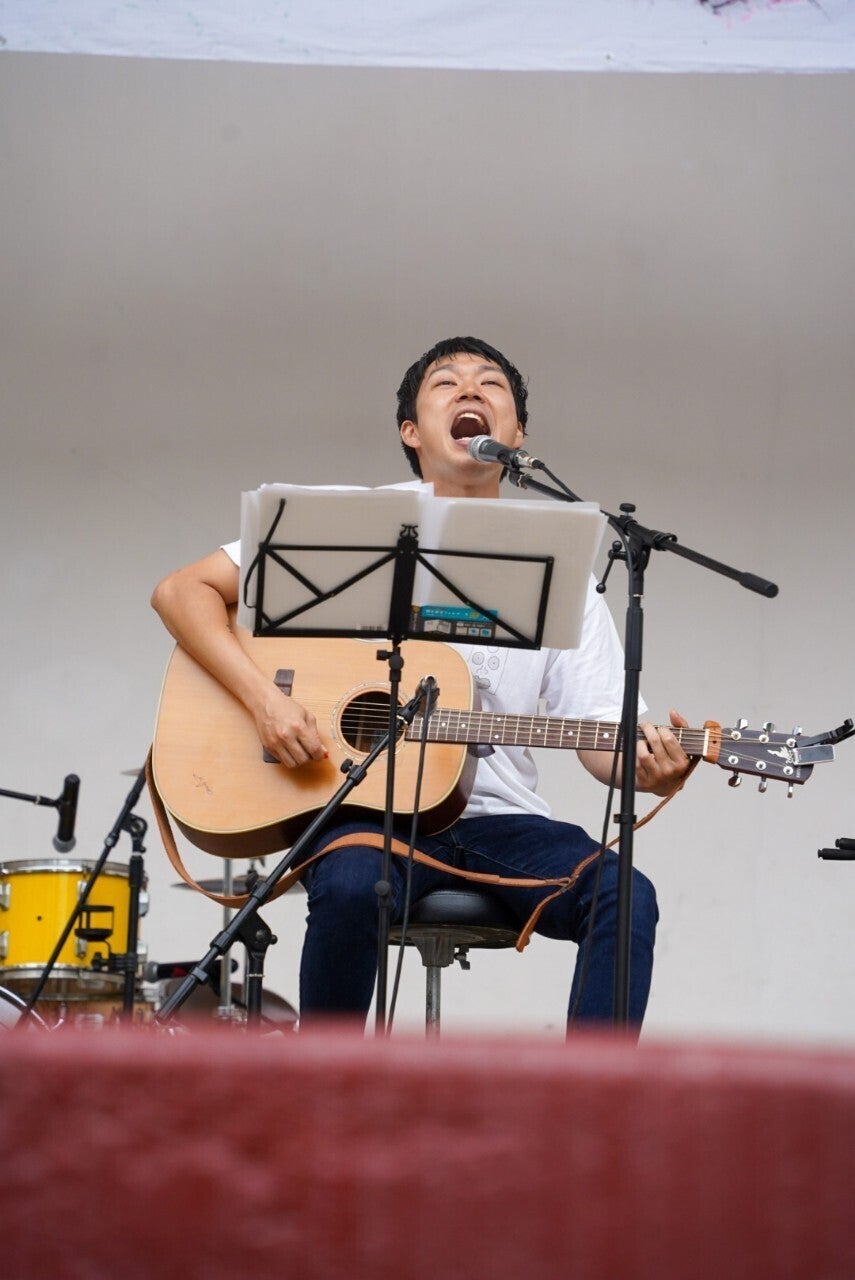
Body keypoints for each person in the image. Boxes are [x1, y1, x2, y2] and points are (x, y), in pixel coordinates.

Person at [151, 337, 690, 1031]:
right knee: (352, 884)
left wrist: (651, 768)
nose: (470, 391)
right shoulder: (345, 525)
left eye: (490, 383)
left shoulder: (565, 575)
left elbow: (600, 740)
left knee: (625, 895)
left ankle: (589, 1094)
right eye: (446, 382)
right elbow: (180, 592)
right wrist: (265, 703)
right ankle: (327, 1083)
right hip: (364, 813)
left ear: (517, 434)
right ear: (410, 430)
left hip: (501, 824)